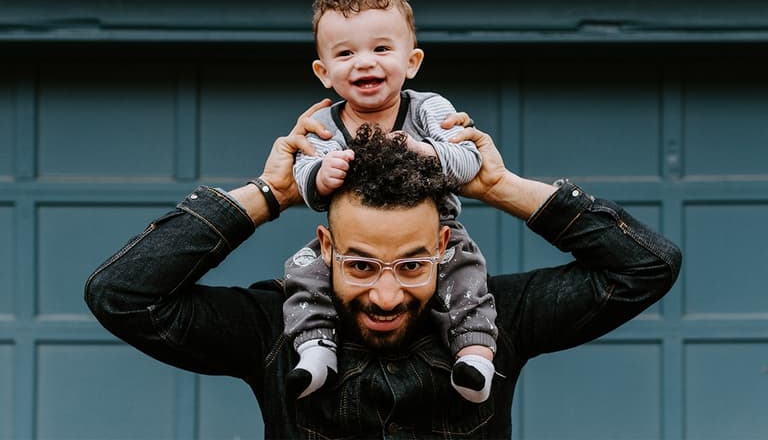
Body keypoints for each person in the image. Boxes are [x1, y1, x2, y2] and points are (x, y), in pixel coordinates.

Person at [84, 99, 682, 439]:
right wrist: (269, 193)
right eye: (363, 265)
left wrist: (501, 187)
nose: (388, 294)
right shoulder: (273, 330)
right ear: (325, 247)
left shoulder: (496, 319)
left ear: (445, 244)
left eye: (413, 264)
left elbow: (645, 266)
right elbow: (123, 294)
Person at [284, 0, 496, 403]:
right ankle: (315, 348)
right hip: (351, 242)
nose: (364, 62)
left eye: (381, 48)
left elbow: (468, 159)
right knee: (303, 271)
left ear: (411, 61)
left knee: (466, 272)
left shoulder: (428, 109)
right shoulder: (323, 122)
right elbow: (303, 178)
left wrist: (428, 153)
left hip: (437, 231)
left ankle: (474, 355)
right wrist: (320, 176)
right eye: (345, 54)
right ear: (324, 72)